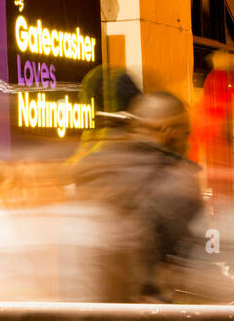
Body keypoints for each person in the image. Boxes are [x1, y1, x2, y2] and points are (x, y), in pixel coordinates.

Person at [69, 91, 205, 302]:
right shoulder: (176, 181)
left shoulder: (93, 167)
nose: (189, 142)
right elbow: (191, 263)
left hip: (90, 310)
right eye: (186, 133)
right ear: (168, 132)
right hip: (148, 316)